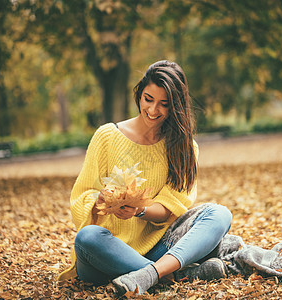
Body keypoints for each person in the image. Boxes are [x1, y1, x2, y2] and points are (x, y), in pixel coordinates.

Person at [58, 60, 233, 295]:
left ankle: (152, 274)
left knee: (220, 214)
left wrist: (139, 210)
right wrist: (101, 200)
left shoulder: (185, 148)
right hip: (105, 253)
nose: (152, 110)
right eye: (148, 99)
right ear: (139, 95)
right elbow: (81, 196)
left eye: (164, 104)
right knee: (87, 237)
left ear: (176, 107)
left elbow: (172, 207)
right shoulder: (107, 136)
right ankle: (178, 274)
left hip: (157, 248)